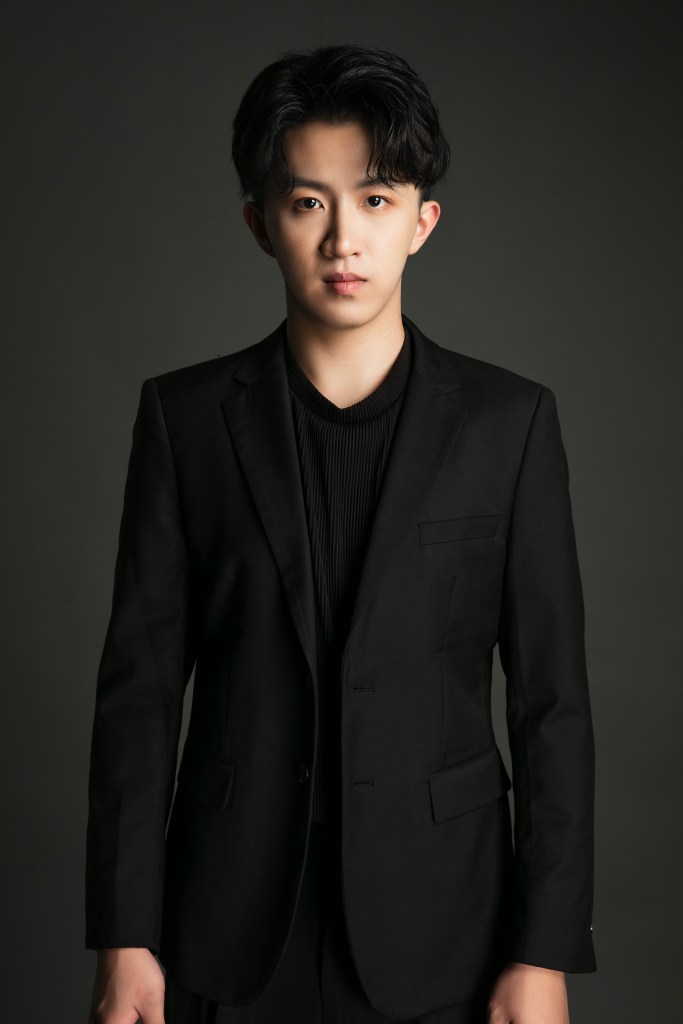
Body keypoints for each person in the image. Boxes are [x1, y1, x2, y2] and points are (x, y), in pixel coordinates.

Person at [85, 44, 596, 1024]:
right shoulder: (184, 422)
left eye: (374, 199)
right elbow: (138, 698)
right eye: (306, 202)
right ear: (259, 223)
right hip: (227, 928)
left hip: (445, 925)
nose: (341, 240)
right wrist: (123, 934)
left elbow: (552, 706)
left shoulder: (509, 424)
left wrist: (542, 951)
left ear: (420, 222)